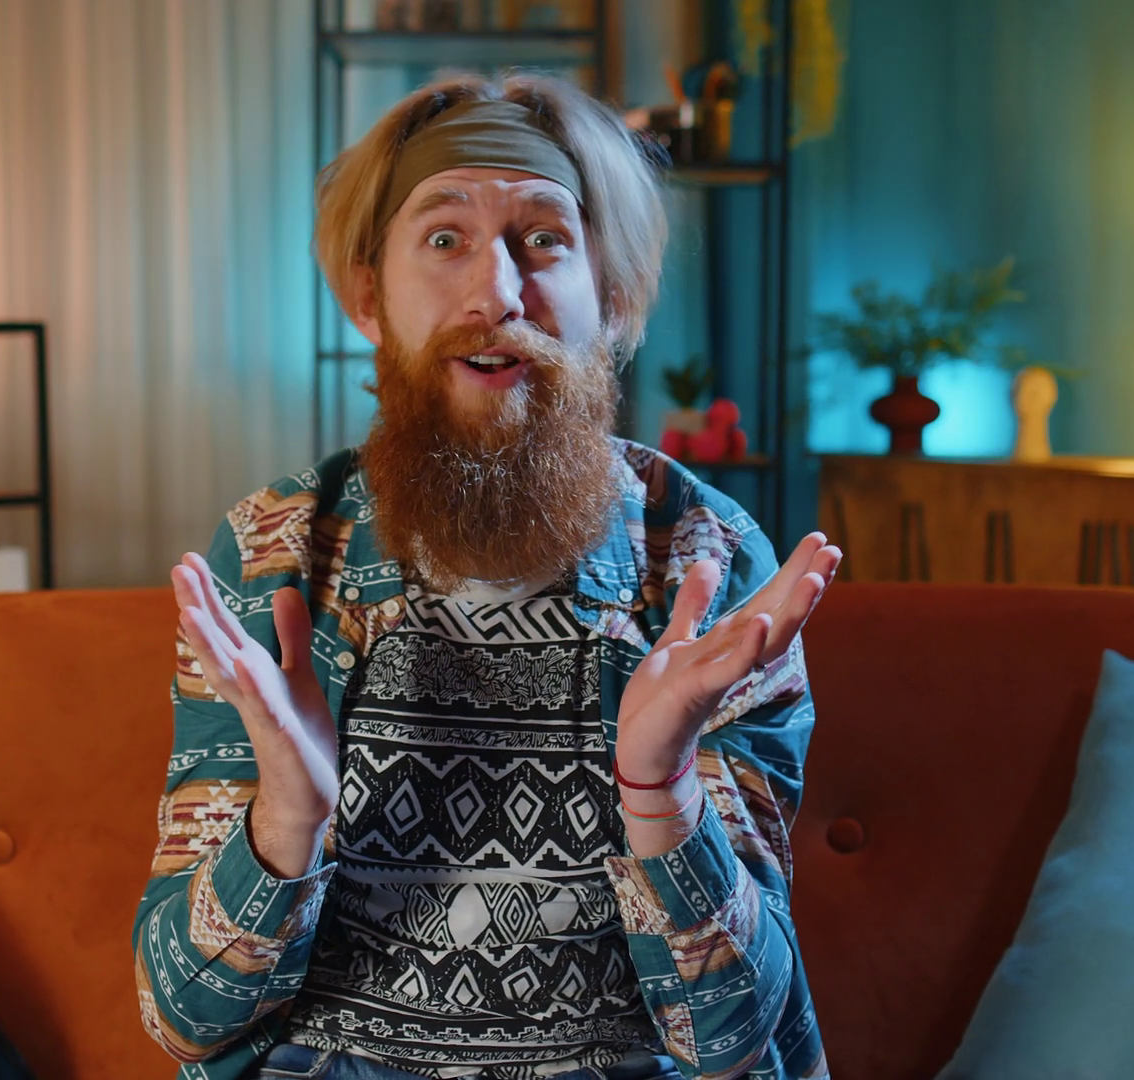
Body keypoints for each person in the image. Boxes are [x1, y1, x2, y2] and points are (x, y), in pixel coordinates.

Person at [134, 71, 841, 1080]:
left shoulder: (705, 559)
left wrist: (662, 794)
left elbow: (732, 1035)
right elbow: (182, 1019)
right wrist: (283, 822)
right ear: (369, 298)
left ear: (612, 296)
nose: (496, 294)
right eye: (444, 238)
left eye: (544, 239)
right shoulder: (275, 552)